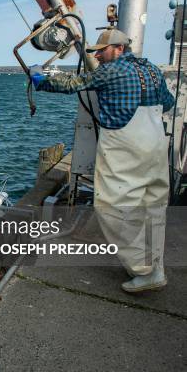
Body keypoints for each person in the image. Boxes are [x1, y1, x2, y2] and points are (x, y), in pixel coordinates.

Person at [30, 28, 175, 293]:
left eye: (102, 50)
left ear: (119, 49)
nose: (97, 55)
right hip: (155, 145)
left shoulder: (113, 70)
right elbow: (168, 102)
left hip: (126, 147)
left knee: (112, 207)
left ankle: (143, 270)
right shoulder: (152, 70)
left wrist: (39, 76)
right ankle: (157, 265)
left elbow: (70, 85)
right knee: (152, 207)